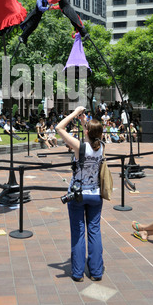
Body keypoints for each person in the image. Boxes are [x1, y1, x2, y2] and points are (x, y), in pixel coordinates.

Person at [56, 106, 105, 282]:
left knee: (78, 232)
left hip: (77, 194)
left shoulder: (79, 147)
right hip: (95, 194)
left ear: (87, 132)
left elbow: (59, 128)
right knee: (94, 231)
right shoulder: (101, 146)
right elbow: (93, 136)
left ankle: (77, 273)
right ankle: (96, 272)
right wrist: (85, 123)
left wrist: (74, 113)